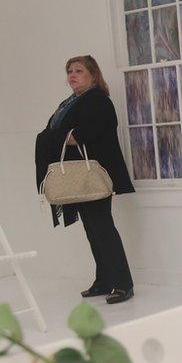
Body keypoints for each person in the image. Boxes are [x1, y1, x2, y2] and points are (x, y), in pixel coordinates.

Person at [42, 55, 136, 304]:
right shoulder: (72, 102)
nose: (72, 75)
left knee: (103, 229)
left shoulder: (97, 101)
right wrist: (59, 135)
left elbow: (80, 136)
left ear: (93, 75)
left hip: (95, 174)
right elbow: (62, 133)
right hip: (81, 177)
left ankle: (123, 284)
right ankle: (104, 281)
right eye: (70, 71)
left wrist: (55, 135)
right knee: (93, 229)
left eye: (79, 71)